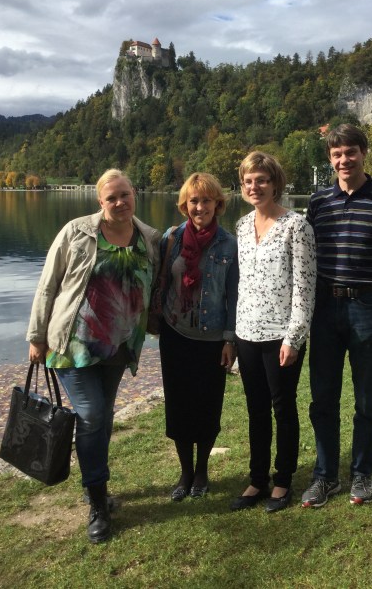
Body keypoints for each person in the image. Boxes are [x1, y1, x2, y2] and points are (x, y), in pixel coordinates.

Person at [27, 169, 161, 543]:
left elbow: (154, 286)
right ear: (100, 201)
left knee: (103, 418)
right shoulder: (76, 232)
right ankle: (98, 504)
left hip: (119, 346)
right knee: (91, 414)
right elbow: (48, 284)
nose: (119, 202)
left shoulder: (149, 238)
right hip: (74, 343)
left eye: (124, 194)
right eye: (111, 197)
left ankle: (93, 484)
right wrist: (37, 336)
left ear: (134, 194)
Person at [302, 124, 372, 508]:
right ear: (330, 159)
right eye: (337, 154)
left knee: (367, 397)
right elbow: (306, 257)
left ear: (364, 153)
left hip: (367, 307)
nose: (344, 160)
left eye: (351, 152)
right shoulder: (318, 202)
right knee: (323, 398)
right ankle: (325, 476)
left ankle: (362, 474)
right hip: (324, 308)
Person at [231, 152, 316, 513]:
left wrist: (294, 337)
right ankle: (257, 479)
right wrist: (233, 336)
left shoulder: (296, 226)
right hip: (247, 332)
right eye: (249, 181)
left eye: (262, 180)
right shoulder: (241, 226)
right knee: (255, 410)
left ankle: (282, 480)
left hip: (281, 335)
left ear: (275, 184)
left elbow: (305, 286)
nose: (255, 187)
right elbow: (243, 284)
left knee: (282, 408)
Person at [158, 172, 238, 501]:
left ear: (218, 204)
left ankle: (202, 470)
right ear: (184, 205)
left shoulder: (229, 244)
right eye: (194, 201)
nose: (200, 207)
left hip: (212, 339)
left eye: (206, 200)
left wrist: (230, 339)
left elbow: (234, 296)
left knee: (207, 406)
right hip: (175, 335)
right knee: (178, 406)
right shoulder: (171, 238)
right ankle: (185, 472)